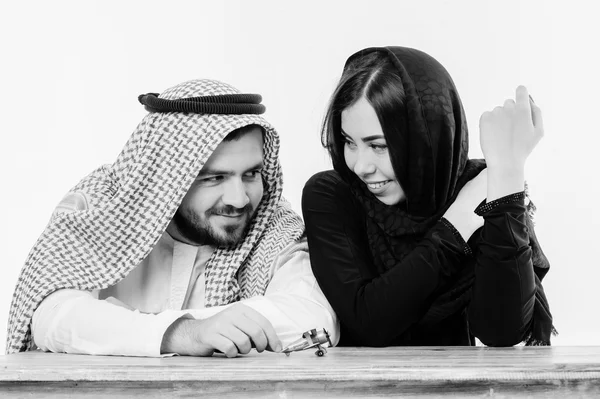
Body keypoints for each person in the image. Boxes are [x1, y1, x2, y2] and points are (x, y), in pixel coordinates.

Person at [6, 79, 338, 357]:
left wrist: (138, 331)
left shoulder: (272, 223)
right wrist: (183, 332)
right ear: (168, 176)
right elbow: (53, 315)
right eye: (214, 178)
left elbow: (312, 315)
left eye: (250, 174)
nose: (239, 199)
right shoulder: (101, 206)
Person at [302, 46, 554, 347]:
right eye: (349, 142)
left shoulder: (487, 192)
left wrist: (508, 176)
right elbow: (369, 320)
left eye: (379, 146)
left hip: (457, 392)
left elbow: (502, 330)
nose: (360, 166)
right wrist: (456, 226)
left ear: (427, 139)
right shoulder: (332, 195)